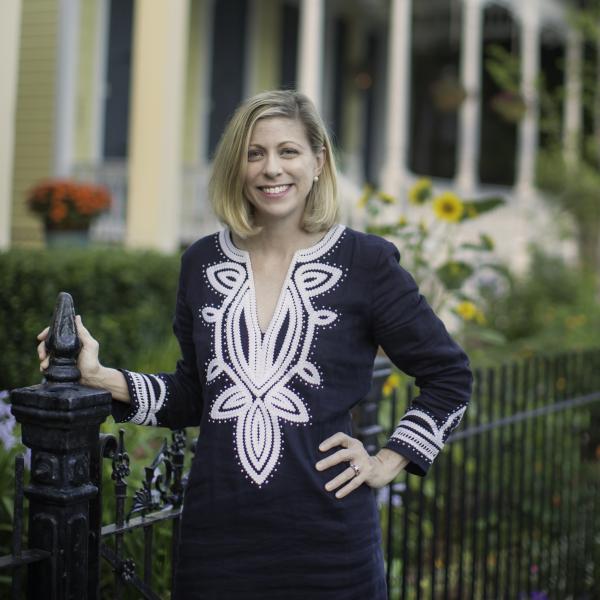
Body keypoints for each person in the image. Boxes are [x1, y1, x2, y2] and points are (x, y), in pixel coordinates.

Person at [37, 89, 472, 599]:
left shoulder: (366, 263)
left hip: (331, 548)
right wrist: (100, 377)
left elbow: (449, 376)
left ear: (318, 162)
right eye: (254, 153)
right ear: (236, 167)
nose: (272, 169)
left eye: (288, 151)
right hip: (217, 543)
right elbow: (196, 394)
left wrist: (387, 461)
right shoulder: (200, 264)